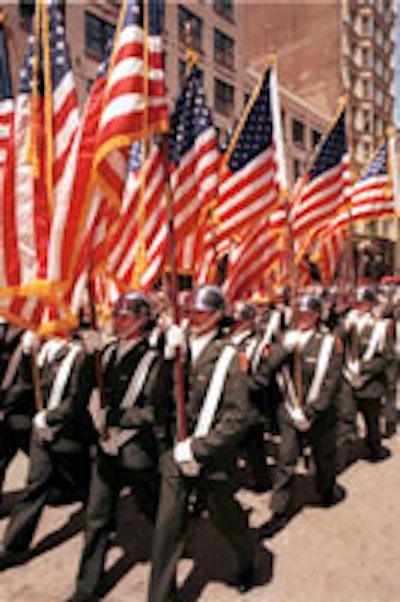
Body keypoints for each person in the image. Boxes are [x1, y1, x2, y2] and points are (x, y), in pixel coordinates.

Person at [148, 285, 263, 602]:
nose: (193, 318)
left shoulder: (230, 355)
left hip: (213, 457)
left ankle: (247, 561)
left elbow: (237, 417)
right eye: (190, 312)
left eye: (200, 313)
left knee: (226, 519)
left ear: (217, 316)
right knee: (167, 527)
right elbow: (159, 399)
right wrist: (163, 354)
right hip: (176, 451)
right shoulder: (178, 348)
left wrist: (198, 449)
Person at [71, 291, 172, 602]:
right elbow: (81, 391)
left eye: (125, 316)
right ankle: (86, 588)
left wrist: (117, 417)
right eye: (116, 315)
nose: (117, 321)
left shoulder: (153, 358)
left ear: (143, 320)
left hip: (136, 449)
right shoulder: (107, 352)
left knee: (155, 513)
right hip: (106, 448)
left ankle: (168, 566)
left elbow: (156, 411)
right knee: (97, 517)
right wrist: (89, 357)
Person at [0, 326, 97, 562]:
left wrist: (50, 418)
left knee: (88, 489)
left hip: (72, 436)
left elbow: (77, 399)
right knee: (36, 485)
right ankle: (13, 547)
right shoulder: (43, 351)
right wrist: (25, 354)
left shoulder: (82, 354)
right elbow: (26, 385)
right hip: (42, 434)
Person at [257, 294, 345, 525]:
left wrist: (311, 412)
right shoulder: (286, 339)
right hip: (289, 410)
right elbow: (266, 370)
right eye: (300, 314)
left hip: (319, 413)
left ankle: (325, 490)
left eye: (309, 314)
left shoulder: (329, 342)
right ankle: (279, 507)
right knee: (286, 459)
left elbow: (331, 381)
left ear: (317, 316)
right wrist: (283, 349)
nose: (304, 318)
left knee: (323, 457)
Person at [343, 287, 392, 462]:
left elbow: (386, 357)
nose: (359, 306)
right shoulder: (349, 322)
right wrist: (344, 327)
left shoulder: (380, 326)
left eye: (363, 303)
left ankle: (374, 447)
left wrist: (364, 369)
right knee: (345, 416)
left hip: (370, 382)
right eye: (357, 303)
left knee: (371, 420)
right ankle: (346, 448)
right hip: (349, 379)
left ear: (371, 304)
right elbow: (336, 346)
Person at [0, 325, 33, 506]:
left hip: (24, 412)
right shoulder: (3, 331)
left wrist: (5, 406)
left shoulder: (32, 335)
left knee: (48, 458)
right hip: (6, 411)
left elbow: (26, 382)